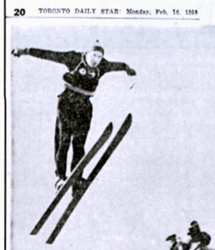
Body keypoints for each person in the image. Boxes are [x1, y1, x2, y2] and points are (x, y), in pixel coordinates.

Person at [12, 40, 136, 194]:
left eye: (99, 56)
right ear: (87, 53)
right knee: (64, 139)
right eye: (93, 55)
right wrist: (24, 50)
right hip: (66, 103)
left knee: (79, 143)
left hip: (84, 105)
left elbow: (120, 65)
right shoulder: (74, 58)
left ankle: (76, 179)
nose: (95, 59)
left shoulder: (102, 66)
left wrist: (128, 69)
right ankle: (61, 177)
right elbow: (49, 55)